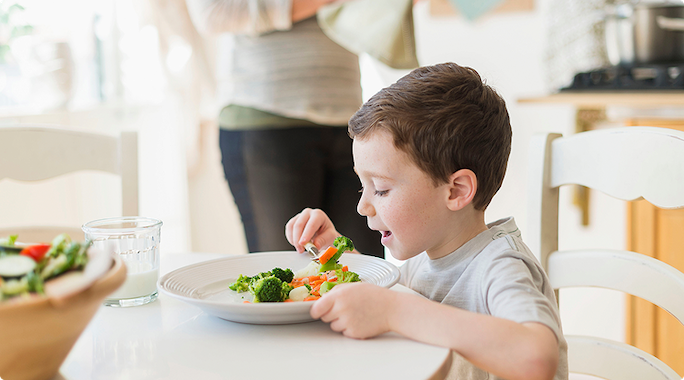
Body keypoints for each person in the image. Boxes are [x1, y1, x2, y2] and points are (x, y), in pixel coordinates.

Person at [285, 63, 568, 380]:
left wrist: (393, 311)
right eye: (362, 186)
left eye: (380, 189)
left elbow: (536, 359)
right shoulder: (425, 258)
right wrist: (331, 255)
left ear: (456, 191)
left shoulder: (501, 266)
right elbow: (374, 298)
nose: (363, 206)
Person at [185, 0, 384, 257]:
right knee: (288, 273)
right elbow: (213, 13)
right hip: (267, 119)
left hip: (350, 120)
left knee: (367, 271)